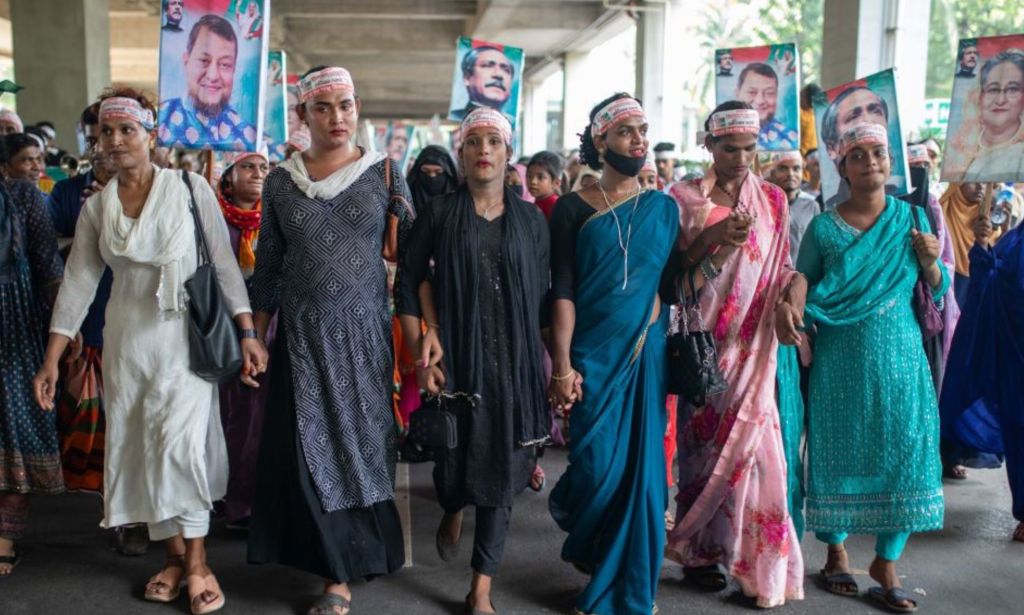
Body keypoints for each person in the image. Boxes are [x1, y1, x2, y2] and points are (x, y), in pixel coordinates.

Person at [33, 89, 266, 614]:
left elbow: (225, 268)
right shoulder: (97, 207)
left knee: (180, 448)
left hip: (186, 343)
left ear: (151, 135)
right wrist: (53, 357)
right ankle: (173, 556)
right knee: (143, 450)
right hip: (127, 345)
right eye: (105, 133)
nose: (115, 141)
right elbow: (77, 284)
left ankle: (200, 562)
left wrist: (247, 331)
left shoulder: (190, 188)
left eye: (127, 130)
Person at [246, 66, 413, 615]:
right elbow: (268, 265)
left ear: (357, 108)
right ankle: (334, 575)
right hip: (300, 336)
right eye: (323, 107)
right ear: (303, 116)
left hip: (366, 335)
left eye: (345, 105)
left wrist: (422, 332)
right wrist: (256, 335)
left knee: (366, 445)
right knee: (309, 451)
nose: (336, 117)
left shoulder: (385, 173)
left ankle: (363, 550)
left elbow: (412, 263)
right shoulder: (280, 181)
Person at [776, 123, 946, 612]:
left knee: (907, 453)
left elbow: (937, 291)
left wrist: (931, 262)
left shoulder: (913, 220)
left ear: (890, 163)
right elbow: (801, 278)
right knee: (837, 449)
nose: (870, 161)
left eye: (878, 153)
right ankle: (836, 550)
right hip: (840, 360)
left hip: (902, 359)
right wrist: (794, 302)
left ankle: (886, 563)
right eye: (858, 155)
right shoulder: (825, 227)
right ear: (843, 169)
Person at [397, 107, 549, 615]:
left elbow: (543, 298)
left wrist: (559, 368)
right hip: (456, 362)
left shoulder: (531, 221)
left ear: (509, 155)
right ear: (461, 153)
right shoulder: (439, 214)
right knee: (455, 462)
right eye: (474, 142)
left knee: (503, 474)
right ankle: (452, 505)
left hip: (513, 364)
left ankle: (479, 587)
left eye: (494, 142)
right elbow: (408, 282)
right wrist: (424, 347)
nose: (484, 150)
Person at [666, 103, 804, 608]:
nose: (741, 157)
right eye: (729, 148)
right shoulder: (682, 200)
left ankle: (756, 566)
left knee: (760, 459)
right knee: (702, 454)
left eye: (750, 148)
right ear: (708, 146)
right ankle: (704, 555)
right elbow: (676, 278)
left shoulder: (772, 199)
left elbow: (786, 267)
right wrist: (713, 238)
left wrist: (794, 299)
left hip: (756, 350)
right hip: (704, 349)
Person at [548, 93, 680, 615]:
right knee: (596, 468)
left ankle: (618, 589)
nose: (639, 141)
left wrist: (717, 245)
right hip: (591, 359)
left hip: (644, 357)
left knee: (642, 483)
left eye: (643, 130)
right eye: (627, 131)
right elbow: (561, 288)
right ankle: (593, 550)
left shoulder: (663, 208)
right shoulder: (572, 208)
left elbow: (673, 284)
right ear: (601, 140)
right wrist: (561, 365)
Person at [940, 213, 1024, 543]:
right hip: (1017, 357)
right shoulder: (1015, 241)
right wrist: (982, 246)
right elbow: (989, 284)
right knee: (1020, 432)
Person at [0, 156, 64, 577]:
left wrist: (64, 334)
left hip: (15, 329)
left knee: (16, 429)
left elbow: (49, 267)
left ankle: (4, 539)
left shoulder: (22, 196)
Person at [215, 148, 271, 529]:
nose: (257, 173)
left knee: (260, 420)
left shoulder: (277, 220)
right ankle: (227, 500)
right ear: (228, 177)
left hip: (270, 330)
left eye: (264, 167)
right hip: (221, 332)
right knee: (225, 419)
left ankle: (256, 504)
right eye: (248, 166)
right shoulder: (211, 221)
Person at [158, 14, 258, 151]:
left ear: (234, 70)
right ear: (186, 61)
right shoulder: (159, 123)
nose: (212, 75)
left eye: (224, 64)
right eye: (204, 61)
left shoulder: (250, 137)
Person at [948, 50, 1024, 182]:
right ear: (980, 96)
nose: (1000, 100)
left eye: (1012, 89)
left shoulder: (1020, 154)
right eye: (993, 89)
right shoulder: (960, 145)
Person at [820, 86, 895, 210]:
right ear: (832, 148)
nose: (867, 121)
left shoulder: (912, 215)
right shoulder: (822, 223)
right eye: (853, 117)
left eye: (875, 111)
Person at [767, 150, 819, 260]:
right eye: (783, 169)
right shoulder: (763, 204)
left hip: (801, 274)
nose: (790, 174)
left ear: (802, 172)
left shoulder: (812, 205)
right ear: (772, 173)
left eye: (796, 169)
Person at [736, 63, 798, 150]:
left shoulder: (791, 139)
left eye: (769, 93)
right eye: (752, 92)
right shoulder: (724, 137)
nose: (760, 101)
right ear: (737, 93)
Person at [450, 45, 516, 123]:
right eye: (487, 66)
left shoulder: (512, 122)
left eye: (506, 70)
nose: (499, 75)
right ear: (467, 77)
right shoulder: (456, 115)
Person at [526, 150, 562, 219]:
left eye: (540, 177)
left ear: (556, 183)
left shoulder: (555, 207)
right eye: (529, 176)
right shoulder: (537, 202)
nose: (533, 181)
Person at [800, 83, 822, 156]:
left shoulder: (809, 117)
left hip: (808, 154)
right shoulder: (811, 113)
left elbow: (805, 145)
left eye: (802, 95)